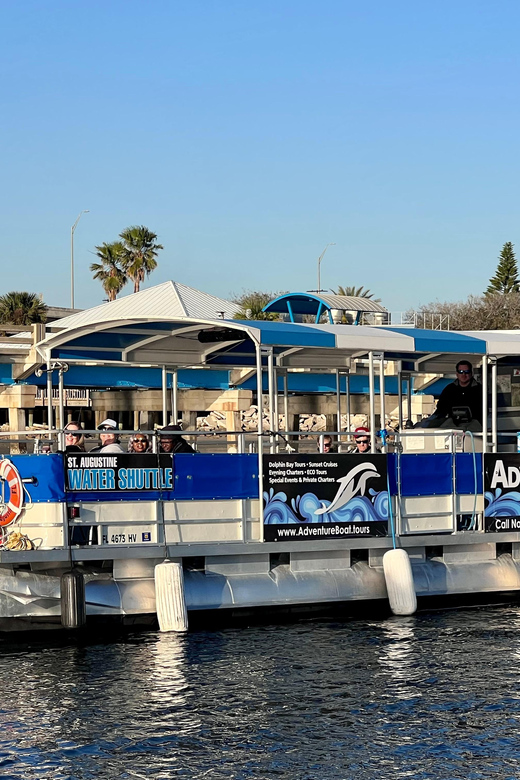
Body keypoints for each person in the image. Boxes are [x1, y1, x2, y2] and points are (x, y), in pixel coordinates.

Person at [432, 360, 483, 428]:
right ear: (457, 374)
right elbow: (441, 409)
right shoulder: (449, 389)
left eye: (466, 372)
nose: (463, 375)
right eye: (460, 372)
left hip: (475, 427)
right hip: (452, 426)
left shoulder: (480, 389)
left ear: (471, 373)